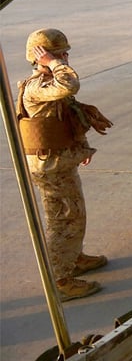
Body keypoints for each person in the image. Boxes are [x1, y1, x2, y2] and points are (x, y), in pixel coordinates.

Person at [16, 29, 112, 302]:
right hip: (50, 166)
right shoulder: (38, 86)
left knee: (74, 213)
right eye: (59, 54)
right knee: (63, 219)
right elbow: (71, 85)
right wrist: (55, 64)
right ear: (40, 57)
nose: (65, 58)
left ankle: (73, 257)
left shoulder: (48, 82)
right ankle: (60, 279)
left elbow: (65, 115)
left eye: (64, 53)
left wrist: (79, 147)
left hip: (59, 160)